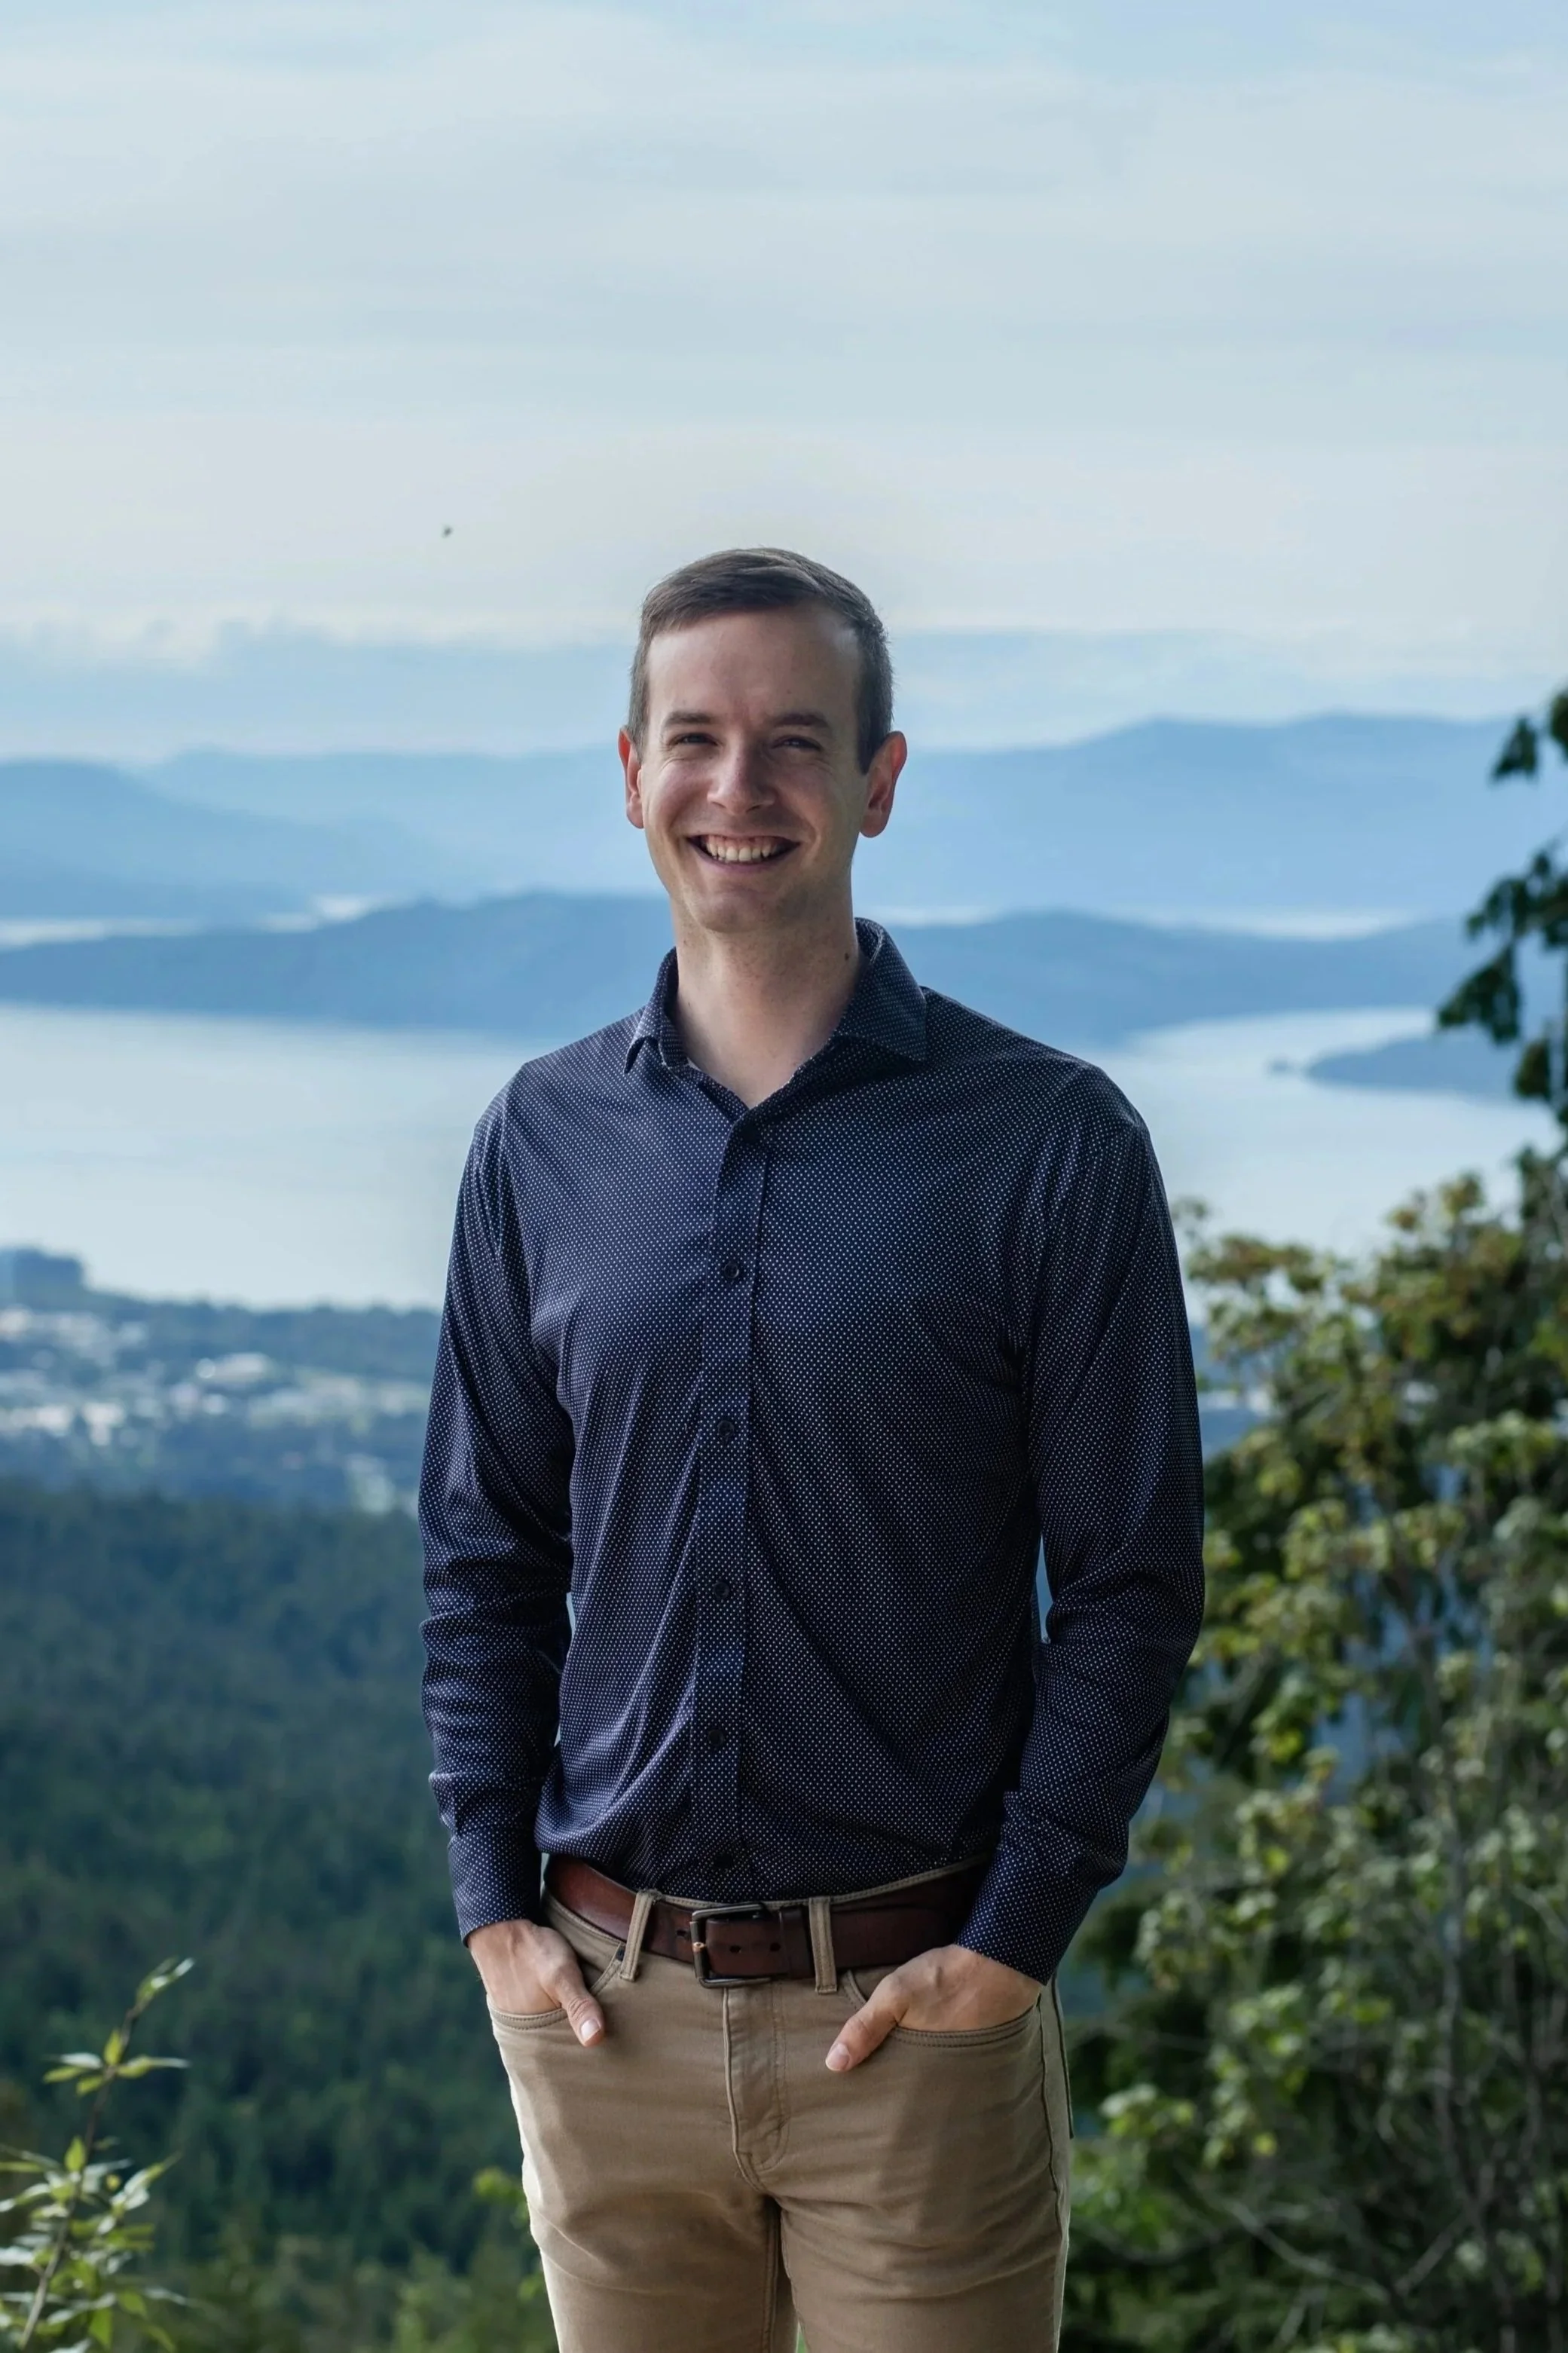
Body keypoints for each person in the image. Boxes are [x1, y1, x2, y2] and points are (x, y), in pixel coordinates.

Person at [420, 546, 1205, 2353]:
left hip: (912, 2031)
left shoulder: (1048, 1146)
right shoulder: (537, 1143)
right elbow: (484, 1557)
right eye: (692, 738)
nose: (737, 787)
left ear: (877, 779)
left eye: (793, 739)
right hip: (601, 2023)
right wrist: (493, 1920)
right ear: (629, 776)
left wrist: (1012, 1942)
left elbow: (1127, 1583)